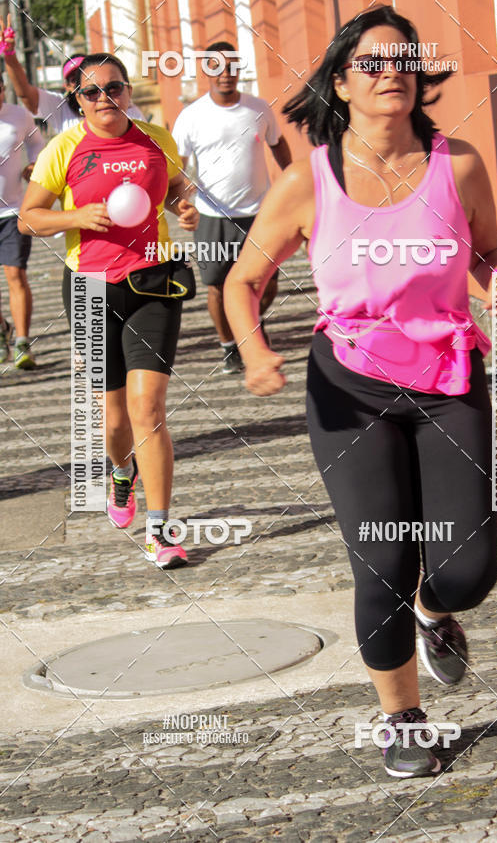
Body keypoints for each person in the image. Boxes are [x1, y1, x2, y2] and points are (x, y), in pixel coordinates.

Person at [225, 6, 497, 778]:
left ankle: (436, 611)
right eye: (372, 63)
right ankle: (403, 719)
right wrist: (254, 350)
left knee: (467, 570)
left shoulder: (460, 166)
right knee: (382, 562)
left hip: (449, 379)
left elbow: (489, 251)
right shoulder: (308, 179)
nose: (392, 73)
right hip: (349, 387)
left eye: (403, 61)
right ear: (342, 83)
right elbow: (244, 279)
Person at [18, 52, 199, 569]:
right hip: (91, 289)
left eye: (114, 87)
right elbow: (30, 217)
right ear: (77, 99)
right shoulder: (64, 147)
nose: (104, 98)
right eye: (91, 91)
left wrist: (184, 207)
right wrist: (76, 216)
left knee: (148, 409)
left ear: (128, 91)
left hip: (153, 281)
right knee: (114, 418)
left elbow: (176, 189)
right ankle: (122, 473)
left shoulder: (155, 140)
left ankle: (160, 531)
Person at [172, 41, 291, 373]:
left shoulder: (259, 108)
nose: (225, 74)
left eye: (232, 66)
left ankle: (251, 322)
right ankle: (229, 346)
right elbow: (176, 167)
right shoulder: (191, 117)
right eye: (217, 67)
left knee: (267, 282)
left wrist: (290, 181)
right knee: (216, 285)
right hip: (213, 216)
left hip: (259, 213)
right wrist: (182, 200)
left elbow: (278, 143)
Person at [0, 15, 145, 135]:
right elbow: (25, 94)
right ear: (68, 87)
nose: (102, 98)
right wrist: (9, 55)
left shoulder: (123, 107)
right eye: (73, 79)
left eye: (84, 76)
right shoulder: (60, 108)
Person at [0, 73, 45, 368]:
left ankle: (22, 342)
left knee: (15, 274)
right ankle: (1, 330)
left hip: (12, 210)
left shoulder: (19, 115)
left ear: (3, 88)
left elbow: (37, 144)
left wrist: (34, 165)